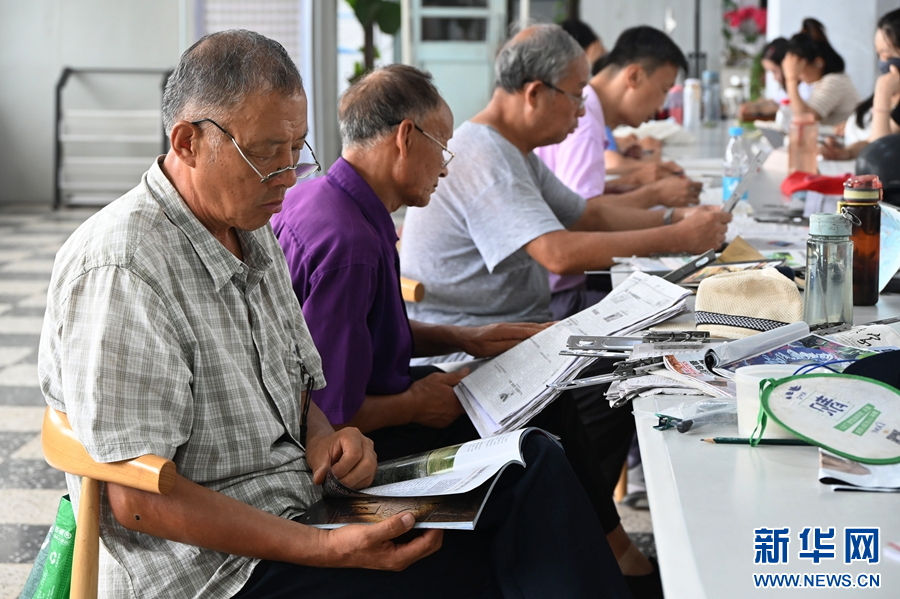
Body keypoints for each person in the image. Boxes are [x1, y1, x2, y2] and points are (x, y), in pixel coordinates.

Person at [37, 29, 631, 599]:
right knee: (507, 552)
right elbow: (139, 501)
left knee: (531, 465)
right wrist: (326, 549)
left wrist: (328, 436)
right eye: (268, 153)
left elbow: (297, 385)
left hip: (303, 504)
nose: (289, 176)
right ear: (187, 142)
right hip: (219, 572)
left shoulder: (249, 225)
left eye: (297, 150)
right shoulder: (123, 268)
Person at [272, 63, 662, 597]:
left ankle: (612, 554)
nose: (447, 167)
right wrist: (415, 406)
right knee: (536, 447)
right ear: (406, 138)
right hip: (352, 450)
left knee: (548, 390)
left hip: (376, 396)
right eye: (444, 147)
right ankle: (602, 566)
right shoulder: (352, 245)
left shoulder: (317, 199)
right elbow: (332, 414)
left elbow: (357, 333)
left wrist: (462, 338)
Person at [399, 23, 731, 332]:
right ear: (535, 94)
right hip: (478, 345)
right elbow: (559, 255)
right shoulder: (485, 155)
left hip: (519, 326)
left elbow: (590, 214)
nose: (583, 110)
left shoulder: (514, 150)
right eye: (577, 94)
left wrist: (675, 217)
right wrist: (678, 237)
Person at [534, 25, 708, 318]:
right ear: (635, 76)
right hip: (560, 292)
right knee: (685, 312)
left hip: (563, 282)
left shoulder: (588, 113)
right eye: (664, 90)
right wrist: (669, 217)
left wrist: (637, 185)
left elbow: (574, 201)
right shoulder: (585, 116)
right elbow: (584, 215)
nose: (662, 105)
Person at [820, 8, 900, 160]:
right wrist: (846, 152)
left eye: (888, 56)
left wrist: (882, 93)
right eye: (879, 55)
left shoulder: (886, 90)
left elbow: (880, 156)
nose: (882, 63)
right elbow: (874, 140)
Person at [782, 18, 860, 126]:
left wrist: (791, 78)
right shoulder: (818, 84)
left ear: (819, 63)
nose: (799, 76)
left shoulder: (834, 82)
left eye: (799, 69)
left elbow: (804, 119)